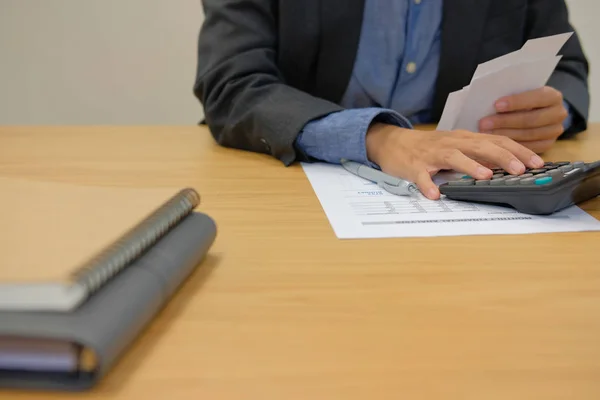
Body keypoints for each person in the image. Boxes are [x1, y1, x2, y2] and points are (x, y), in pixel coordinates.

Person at [193, 0, 589, 199]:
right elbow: (232, 82)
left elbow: (567, 67)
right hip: (284, 190)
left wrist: (554, 112)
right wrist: (379, 138)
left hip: (463, 190)